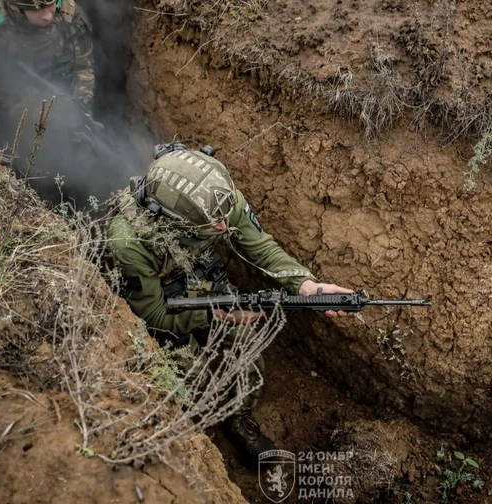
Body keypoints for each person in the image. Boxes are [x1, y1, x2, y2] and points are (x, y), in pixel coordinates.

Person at [108, 139, 352, 459]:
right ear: (172, 222)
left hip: (203, 282)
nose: (224, 225)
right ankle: (203, 432)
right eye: (213, 226)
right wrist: (213, 316)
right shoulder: (129, 240)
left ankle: (240, 417)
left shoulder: (217, 198)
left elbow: (260, 247)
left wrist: (305, 285)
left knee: (247, 347)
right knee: (190, 380)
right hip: (163, 301)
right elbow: (151, 314)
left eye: (225, 216)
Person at [0, 0, 96, 113]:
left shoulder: (69, 15)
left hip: (60, 95)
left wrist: (80, 107)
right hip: (9, 104)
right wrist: (19, 109)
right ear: (13, 6)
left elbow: (83, 68)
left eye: (51, 4)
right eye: (36, 9)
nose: (48, 16)